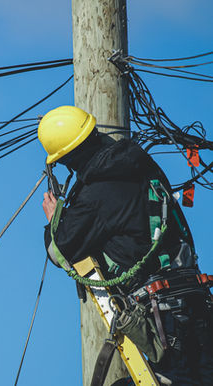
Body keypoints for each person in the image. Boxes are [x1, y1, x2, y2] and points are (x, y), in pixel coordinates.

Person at [38, 106, 213, 385]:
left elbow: (61, 250)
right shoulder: (144, 166)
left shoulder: (95, 194)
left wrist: (54, 218)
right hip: (197, 301)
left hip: (162, 318)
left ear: (67, 159)